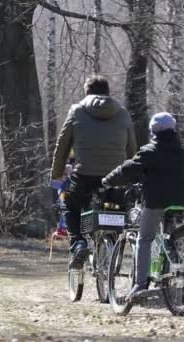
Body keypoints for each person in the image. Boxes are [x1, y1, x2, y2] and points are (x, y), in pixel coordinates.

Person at [102, 112, 184, 302]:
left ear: (153, 131)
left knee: (145, 239)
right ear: (173, 130)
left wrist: (107, 180)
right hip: (179, 201)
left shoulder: (149, 151)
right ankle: (178, 265)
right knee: (169, 239)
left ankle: (140, 285)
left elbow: (127, 169)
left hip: (156, 201)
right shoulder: (183, 152)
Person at [50, 75, 137, 270]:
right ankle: (114, 252)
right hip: (117, 177)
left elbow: (62, 146)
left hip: (85, 176)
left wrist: (57, 173)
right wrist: (133, 175)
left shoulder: (77, 111)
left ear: (87, 92)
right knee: (119, 209)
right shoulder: (123, 113)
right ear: (107, 92)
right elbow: (132, 149)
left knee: (70, 203)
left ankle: (78, 242)